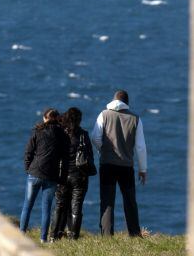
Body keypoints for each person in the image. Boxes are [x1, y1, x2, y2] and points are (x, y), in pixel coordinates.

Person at [91, 90, 147, 237]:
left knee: (107, 200)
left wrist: (102, 150)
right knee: (130, 201)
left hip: (107, 164)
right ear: (127, 103)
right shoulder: (135, 119)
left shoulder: (104, 115)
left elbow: (95, 137)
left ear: (113, 100)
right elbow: (140, 147)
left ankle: (107, 235)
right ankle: (134, 233)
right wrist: (143, 169)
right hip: (126, 166)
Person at [19, 108, 69, 243]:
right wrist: (62, 178)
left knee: (27, 205)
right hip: (52, 176)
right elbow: (65, 160)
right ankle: (43, 239)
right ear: (57, 119)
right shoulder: (63, 135)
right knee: (46, 209)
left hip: (34, 173)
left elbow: (28, 152)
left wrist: (28, 169)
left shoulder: (37, 131)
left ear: (45, 118)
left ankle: (21, 235)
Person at [50, 107, 94, 240]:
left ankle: (54, 236)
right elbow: (89, 156)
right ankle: (73, 237)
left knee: (59, 206)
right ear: (79, 120)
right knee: (76, 207)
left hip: (62, 175)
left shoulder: (61, 133)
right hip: (79, 176)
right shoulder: (83, 134)